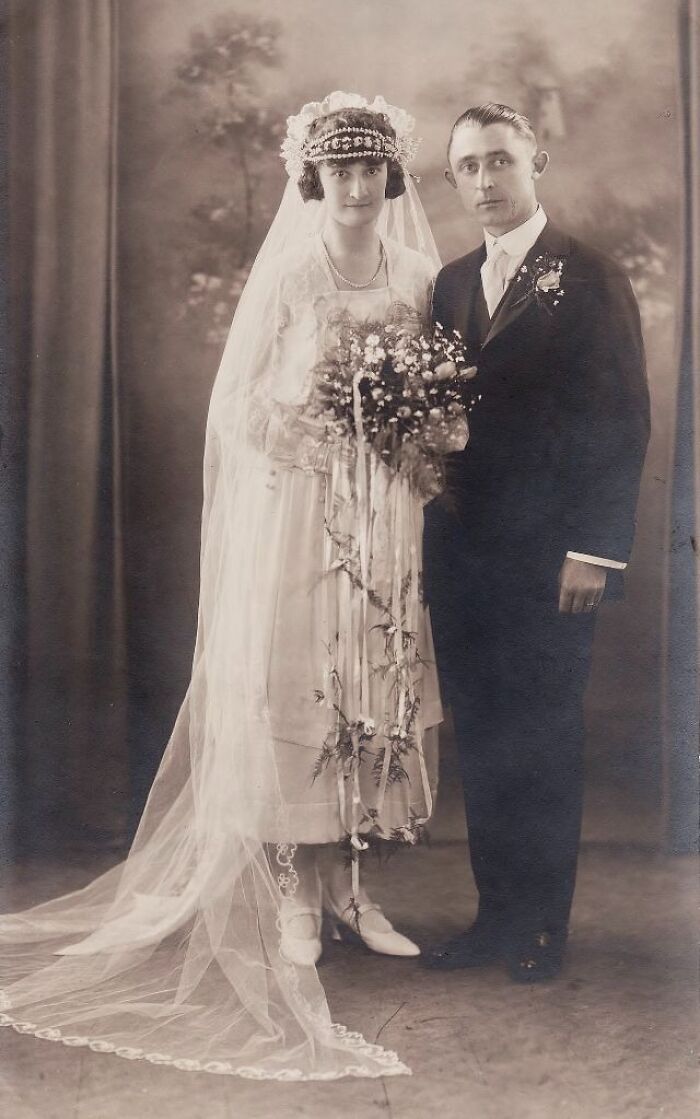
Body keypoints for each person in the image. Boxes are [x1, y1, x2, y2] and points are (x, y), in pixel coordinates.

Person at [0, 92, 451, 1082]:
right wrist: (310, 429)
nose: (353, 184)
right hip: (296, 511)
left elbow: (436, 394)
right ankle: (295, 889)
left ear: (390, 178)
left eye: (368, 168)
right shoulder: (291, 274)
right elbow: (240, 401)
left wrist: (407, 433)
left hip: (382, 513)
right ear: (312, 178)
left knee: (369, 680)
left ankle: (354, 889)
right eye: (336, 169)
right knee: (297, 682)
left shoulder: (420, 276)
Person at [423, 103, 650, 982]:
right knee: (482, 736)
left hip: (555, 555)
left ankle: (542, 926)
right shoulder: (449, 284)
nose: (485, 181)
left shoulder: (590, 276)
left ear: (538, 162)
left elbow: (621, 419)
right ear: (454, 180)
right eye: (469, 167)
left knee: (543, 734)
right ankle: (495, 915)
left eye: (500, 161)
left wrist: (595, 547)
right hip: (466, 554)